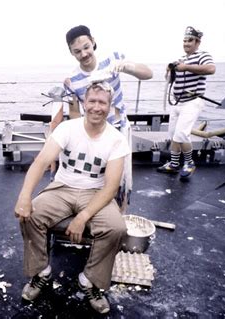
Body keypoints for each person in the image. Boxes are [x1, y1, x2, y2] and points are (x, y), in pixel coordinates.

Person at [15, 82, 129, 314]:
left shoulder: (116, 139)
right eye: (92, 101)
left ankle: (91, 281)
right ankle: (41, 272)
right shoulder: (67, 128)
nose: (97, 107)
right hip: (63, 187)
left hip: (96, 193)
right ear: (84, 103)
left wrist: (83, 216)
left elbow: (111, 188)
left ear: (110, 106)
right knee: (30, 214)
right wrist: (24, 196)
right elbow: (41, 162)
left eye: (102, 102)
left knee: (116, 228)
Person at [55, 25, 153, 210]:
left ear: (93, 41)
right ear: (71, 52)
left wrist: (126, 67)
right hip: (95, 135)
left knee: (121, 180)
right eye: (77, 51)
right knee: (96, 179)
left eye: (86, 47)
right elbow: (75, 114)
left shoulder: (112, 59)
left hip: (119, 130)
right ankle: (96, 218)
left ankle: (120, 216)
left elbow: (148, 74)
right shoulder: (72, 79)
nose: (83, 54)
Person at [157, 26, 215, 178]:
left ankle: (189, 163)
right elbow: (170, 80)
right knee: (173, 134)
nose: (186, 43)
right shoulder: (181, 59)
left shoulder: (203, 55)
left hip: (192, 102)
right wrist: (169, 71)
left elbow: (211, 69)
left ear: (197, 42)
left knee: (181, 134)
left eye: (190, 40)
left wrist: (186, 67)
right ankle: (174, 164)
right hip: (177, 103)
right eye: (184, 40)